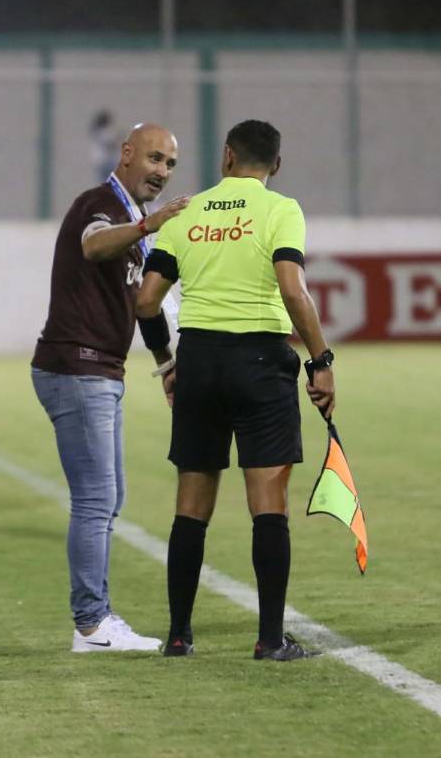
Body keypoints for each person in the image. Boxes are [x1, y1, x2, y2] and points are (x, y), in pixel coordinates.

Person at [136, 119, 335, 662]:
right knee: (268, 504)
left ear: (226, 156)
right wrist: (321, 360)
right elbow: (293, 290)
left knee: (191, 506)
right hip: (260, 362)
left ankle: (178, 636)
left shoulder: (188, 211)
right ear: (276, 164)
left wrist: (167, 360)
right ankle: (270, 639)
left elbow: (147, 302)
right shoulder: (280, 210)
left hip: (199, 361)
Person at [32, 123, 190, 653]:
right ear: (126, 154)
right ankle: (92, 624)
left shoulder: (131, 218)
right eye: (154, 158)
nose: (162, 172)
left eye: (169, 164)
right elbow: (93, 245)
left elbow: (148, 303)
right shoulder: (98, 204)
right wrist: (149, 226)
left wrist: (167, 364)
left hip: (98, 370)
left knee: (108, 496)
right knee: (96, 499)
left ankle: (94, 620)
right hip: (77, 367)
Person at [89, 110, 120, 185]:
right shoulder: (103, 132)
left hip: (101, 163)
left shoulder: (97, 132)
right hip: (106, 163)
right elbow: (110, 144)